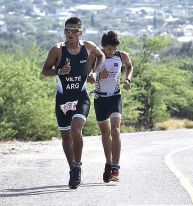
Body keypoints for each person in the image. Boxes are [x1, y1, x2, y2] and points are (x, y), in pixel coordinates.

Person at [42, 17, 105, 189]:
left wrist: (95, 73)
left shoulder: (88, 47)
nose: (70, 34)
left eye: (73, 31)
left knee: (76, 129)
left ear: (80, 32)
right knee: (66, 136)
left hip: (81, 96)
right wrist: (58, 71)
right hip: (63, 99)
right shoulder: (57, 50)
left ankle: (77, 166)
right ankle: (73, 170)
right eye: (67, 30)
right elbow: (44, 70)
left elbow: (101, 56)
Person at [88, 31, 133, 183]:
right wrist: (98, 76)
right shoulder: (95, 57)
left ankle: (115, 168)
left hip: (115, 97)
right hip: (100, 99)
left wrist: (128, 80)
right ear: (103, 47)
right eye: (108, 49)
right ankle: (108, 162)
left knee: (115, 129)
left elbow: (129, 66)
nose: (111, 52)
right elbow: (87, 76)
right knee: (105, 133)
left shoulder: (122, 56)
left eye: (114, 49)